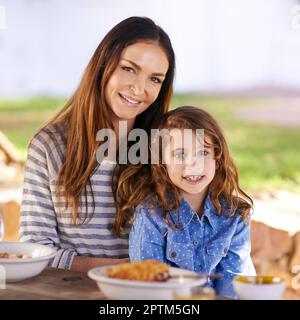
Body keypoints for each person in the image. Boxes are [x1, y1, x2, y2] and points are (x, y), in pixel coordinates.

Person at [19, 16, 175, 272]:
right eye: (128, 69)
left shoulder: (165, 147)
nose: (139, 88)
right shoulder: (49, 146)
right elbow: (35, 251)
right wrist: (121, 269)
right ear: (104, 65)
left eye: (155, 79)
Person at [114, 106, 256, 298]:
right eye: (180, 154)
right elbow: (149, 285)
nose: (192, 164)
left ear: (217, 158)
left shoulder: (235, 215)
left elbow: (232, 286)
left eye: (203, 153)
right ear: (162, 163)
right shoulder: (151, 214)